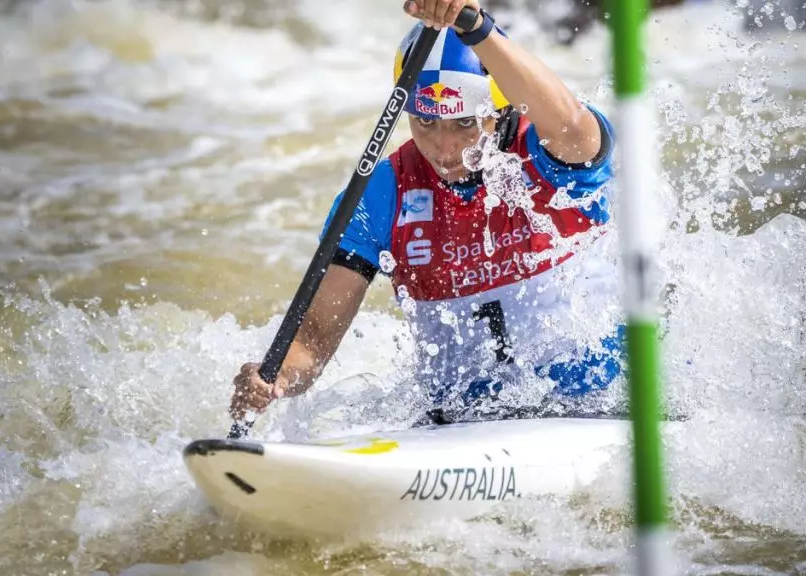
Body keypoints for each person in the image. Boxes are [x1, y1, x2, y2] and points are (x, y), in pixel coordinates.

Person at [230, 0, 623, 427]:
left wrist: (474, 26)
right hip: (458, 422)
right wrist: (277, 376)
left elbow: (569, 121)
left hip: (600, 405)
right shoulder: (381, 192)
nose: (444, 149)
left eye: (464, 124)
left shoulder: (552, 159)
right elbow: (312, 339)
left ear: (503, 109)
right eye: (426, 123)